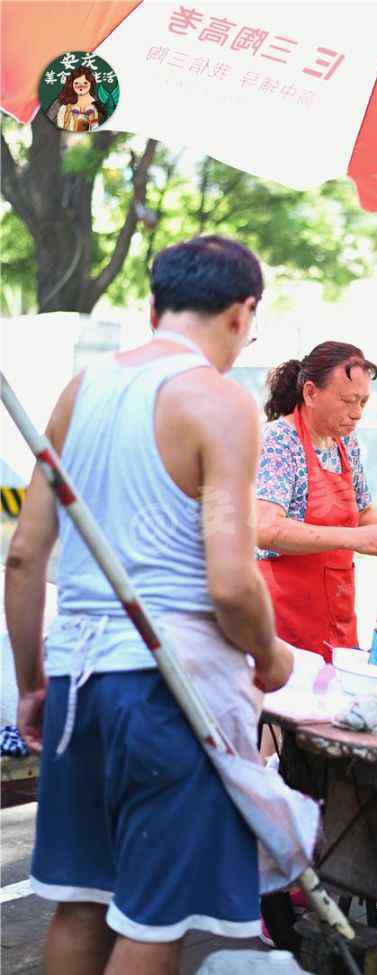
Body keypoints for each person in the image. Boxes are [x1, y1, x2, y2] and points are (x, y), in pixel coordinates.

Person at [4, 235, 294, 975]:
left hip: (77, 680)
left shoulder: (81, 388)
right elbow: (231, 582)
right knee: (152, 915)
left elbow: (24, 556)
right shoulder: (220, 403)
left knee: (81, 898)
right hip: (166, 689)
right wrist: (270, 653)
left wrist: (34, 683)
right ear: (241, 311)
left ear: (154, 303)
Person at [256, 341, 377, 662]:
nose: (357, 414)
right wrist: (352, 538)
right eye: (347, 401)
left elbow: (362, 516)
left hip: (336, 616)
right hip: (281, 622)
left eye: (364, 402)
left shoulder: (345, 442)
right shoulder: (278, 442)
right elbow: (265, 528)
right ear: (310, 393)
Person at [55, 67, 102, 131]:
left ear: (91, 83)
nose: (81, 87)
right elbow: (60, 127)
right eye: (76, 83)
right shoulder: (65, 107)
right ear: (71, 85)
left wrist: (92, 119)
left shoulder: (96, 105)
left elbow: (96, 128)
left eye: (85, 83)